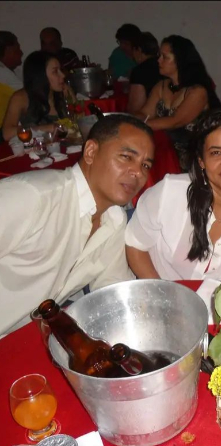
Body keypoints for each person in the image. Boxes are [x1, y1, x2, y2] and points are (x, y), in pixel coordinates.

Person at [0, 114, 155, 338]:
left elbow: (113, 290)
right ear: (91, 152)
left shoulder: (114, 221)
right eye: (126, 157)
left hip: (28, 340)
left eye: (145, 165)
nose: (138, 172)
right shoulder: (32, 197)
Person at [125, 106, 221, 281]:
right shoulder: (170, 193)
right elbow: (135, 245)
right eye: (216, 152)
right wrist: (162, 292)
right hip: (156, 289)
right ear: (201, 161)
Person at [135, 34, 221, 170]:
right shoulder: (161, 86)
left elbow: (175, 121)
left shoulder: (197, 91)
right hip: (167, 152)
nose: (158, 60)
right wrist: (128, 120)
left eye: (165, 57)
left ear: (180, 61)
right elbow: (145, 113)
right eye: (159, 55)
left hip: (194, 157)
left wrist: (136, 124)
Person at [2, 50, 68, 141]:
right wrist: (46, 128)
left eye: (60, 70)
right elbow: (6, 133)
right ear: (40, 75)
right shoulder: (21, 97)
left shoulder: (63, 91)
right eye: (55, 71)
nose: (63, 75)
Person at [127, 32, 162, 114]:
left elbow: (135, 108)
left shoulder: (140, 71)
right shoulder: (164, 66)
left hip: (150, 117)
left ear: (138, 50)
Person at [0, 31, 23, 129]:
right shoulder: (2, 72)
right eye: (17, 49)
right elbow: (29, 95)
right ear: (8, 51)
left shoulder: (15, 70)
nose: (21, 53)